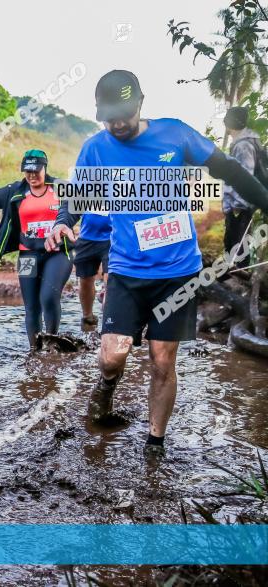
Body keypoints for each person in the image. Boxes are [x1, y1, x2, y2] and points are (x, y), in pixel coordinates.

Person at [47, 70, 268, 459]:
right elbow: (77, 196)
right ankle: (107, 384)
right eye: (108, 116)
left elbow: (229, 169)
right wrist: (63, 221)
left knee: (162, 359)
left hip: (178, 272)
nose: (116, 124)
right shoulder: (97, 148)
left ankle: (154, 444)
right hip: (127, 272)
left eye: (123, 115)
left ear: (140, 104)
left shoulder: (175, 134)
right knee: (113, 354)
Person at [0, 149, 73, 348]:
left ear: (45, 167)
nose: (32, 175)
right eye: (28, 171)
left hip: (57, 254)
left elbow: (81, 203)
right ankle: (35, 350)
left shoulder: (61, 187)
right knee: (32, 306)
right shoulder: (15, 190)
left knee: (48, 297)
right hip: (27, 255)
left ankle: (52, 344)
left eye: (36, 170)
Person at [222, 106, 260, 270]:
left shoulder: (243, 146)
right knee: (235, 246)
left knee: (237, 247)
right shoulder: (244, 143)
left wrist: (237, 205)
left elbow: (245, 177)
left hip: (240, 207)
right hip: (241, 206)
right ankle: (235, 281)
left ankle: (238, 284)